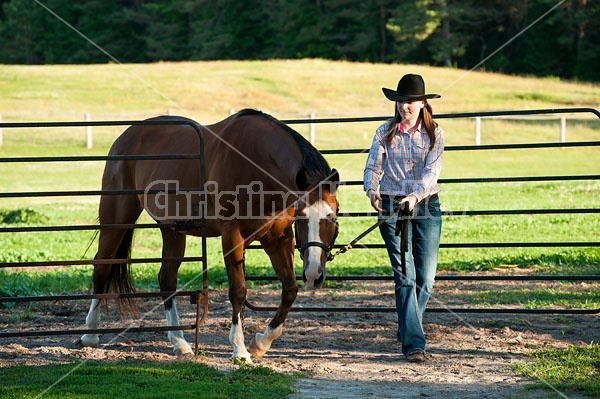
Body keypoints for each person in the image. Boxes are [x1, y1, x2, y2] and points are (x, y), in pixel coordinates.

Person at [363, 73, 444, 363]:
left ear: (422, 103)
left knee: (426, 278)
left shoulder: (435, 133)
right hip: (391, 206)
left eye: (410, 102)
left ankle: (409, 325)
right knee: (405, 276)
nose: (404, 107)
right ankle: (413, 343)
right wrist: (372, 191)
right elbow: (373, 166)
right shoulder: (385, 132)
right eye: (400, 102)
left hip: (425, 206)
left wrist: (415, 197)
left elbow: (431, 172)